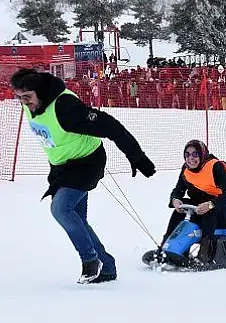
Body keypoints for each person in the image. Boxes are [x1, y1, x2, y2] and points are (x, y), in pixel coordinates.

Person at [10, 68, 155, 284]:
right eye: (19, 98)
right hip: (61, 169)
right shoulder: (35, 104)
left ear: (39, 92)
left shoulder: (66, 108)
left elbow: (109, 125)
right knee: (77, 221)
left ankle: (90, 260)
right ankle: (107, 267)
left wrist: (137, 156)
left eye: (27, 97)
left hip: (87, 164)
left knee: (61, 209)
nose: (24, 103)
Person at [158, 140, 226, 265]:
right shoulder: (186, 169)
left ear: (202, 154)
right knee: (180, 210)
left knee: (209, 213)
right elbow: (178, 190)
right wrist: (175, 200)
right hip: (202, 209)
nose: (190, 158)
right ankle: (166, 248)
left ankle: (206, 253)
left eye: (195, 154)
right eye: (187, 154)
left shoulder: (215, 167)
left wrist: (210, 204)